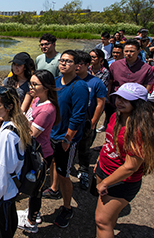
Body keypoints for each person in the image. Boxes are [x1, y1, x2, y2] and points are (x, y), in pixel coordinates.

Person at [94, 83, 154, 238]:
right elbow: (108, 142)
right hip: (105, 170)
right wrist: (99, 160)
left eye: (126, 99)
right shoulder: (116, 116)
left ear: (138, 103)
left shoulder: (138, 129)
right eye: (118, 97)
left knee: (102, 221)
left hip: (121, 181)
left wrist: (105, 183)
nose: (119, 102)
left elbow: (130, 167)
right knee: (107, 219)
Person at [42, 50, 89, 228]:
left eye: (68, 61)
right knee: (53, 163)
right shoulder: (55, 82)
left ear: (77, 66)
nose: (63, 64)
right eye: (62, 61)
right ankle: (54, 189)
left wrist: (67, 139)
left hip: (65, 138)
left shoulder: (79, 87)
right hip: (51, 134)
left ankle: (67, 208)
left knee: (64, 173)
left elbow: (78, 116)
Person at [0, 85, 31, 238]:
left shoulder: (7, 137)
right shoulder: (17, 124)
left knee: (3, 223)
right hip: (11, 187)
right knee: (9, 216)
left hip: (3, 191)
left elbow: (2, 169)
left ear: (9, 106)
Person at [17, 70, 61, 233]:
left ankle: (31, 221)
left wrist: (18, 122)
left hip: (41, 155)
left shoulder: (47, 109)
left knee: (36, 190)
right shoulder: (37, 100)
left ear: (47, 87)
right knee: (34, 186)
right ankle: (32, 214)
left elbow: (32, 133)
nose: (31, 87)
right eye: (31, 83)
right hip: (33, 151)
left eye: (35, 84)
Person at [99, 39, 154, 133]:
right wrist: (108, 95)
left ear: (138, 51)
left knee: (130, 127)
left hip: (134, 103)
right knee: (112, 124)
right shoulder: (115, 65)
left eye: (132, 51)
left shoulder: (146, 68)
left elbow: (148, 84)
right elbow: (111, 81)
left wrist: (141, 99)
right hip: (115, 100)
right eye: (126, 51)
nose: (129, 53)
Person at [75, 51, 107, 190]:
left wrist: (93, 122)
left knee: (84, 148)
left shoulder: (96, 82)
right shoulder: (69, 79)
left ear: (87, 65)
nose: (76, 66)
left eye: (79, 63)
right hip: (70, 121)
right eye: (74, 62)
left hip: (86, 121)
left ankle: (83, 171)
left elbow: (100, 103)